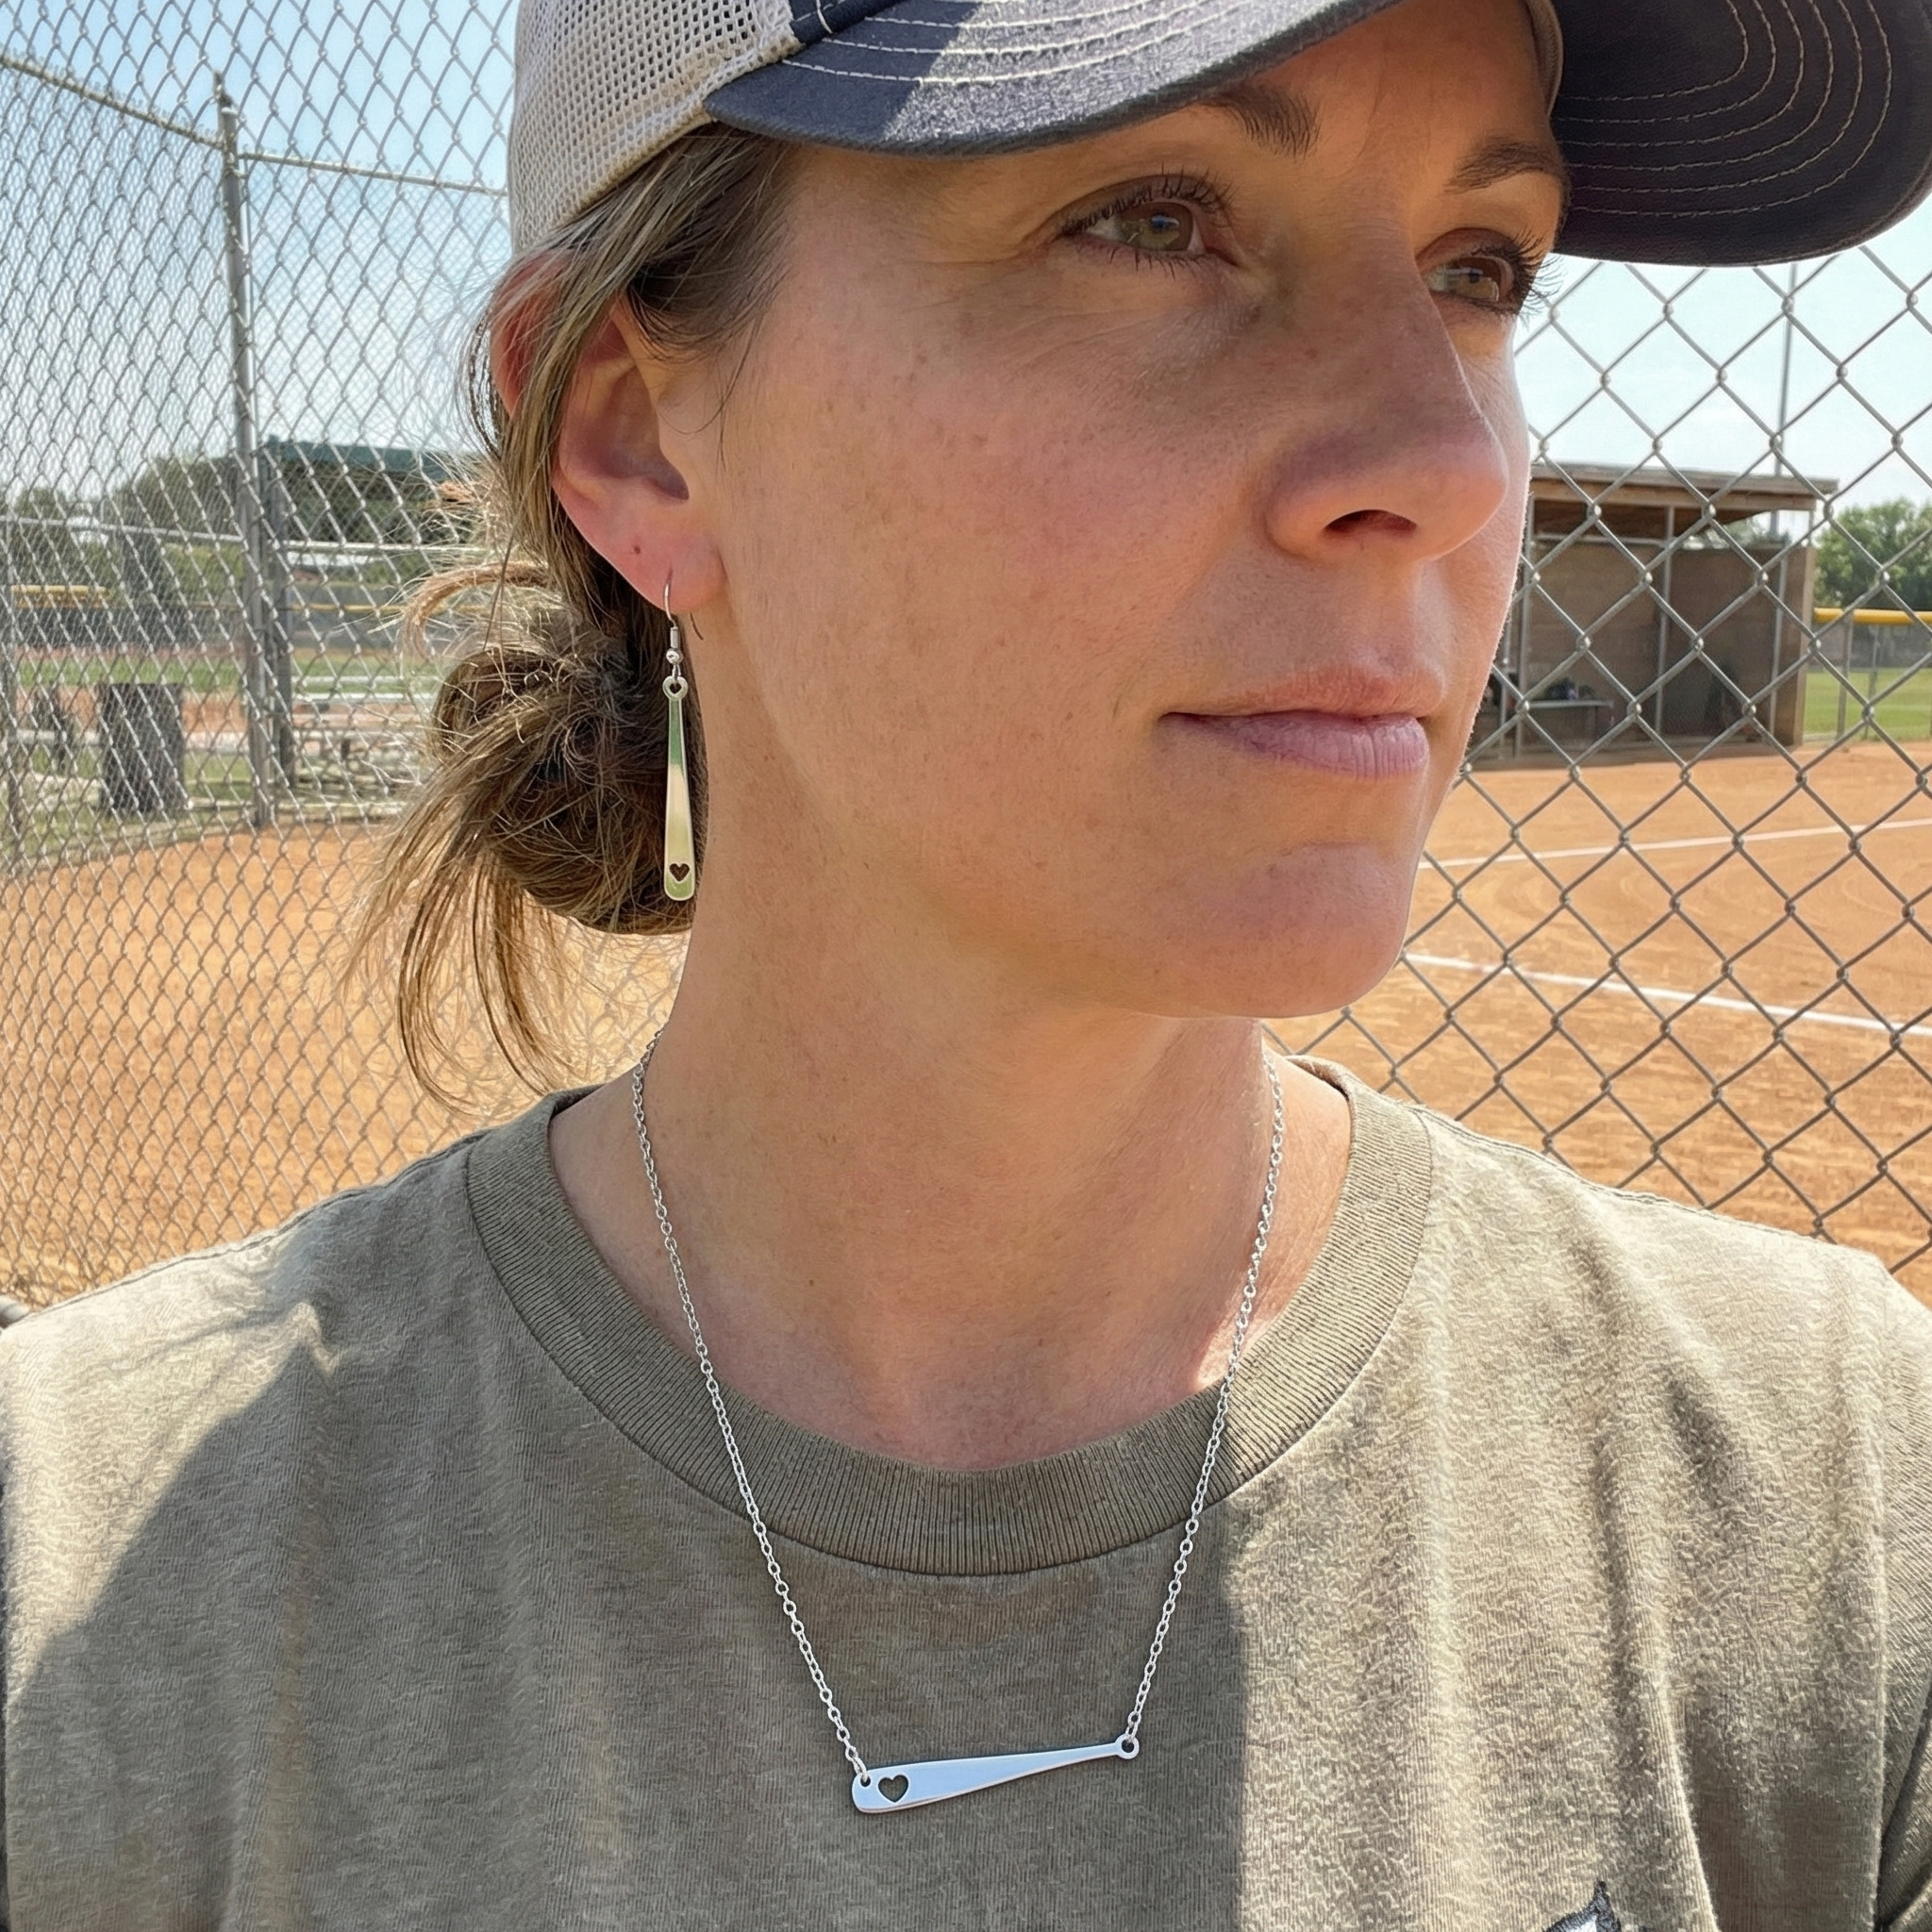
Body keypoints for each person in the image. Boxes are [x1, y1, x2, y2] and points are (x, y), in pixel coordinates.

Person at [7, 0, 1932, 1924]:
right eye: (1153, 219)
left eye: (1474, 265)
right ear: (635, 431)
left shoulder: (1830, 1492)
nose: (1438, 454)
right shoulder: (75, 1587)